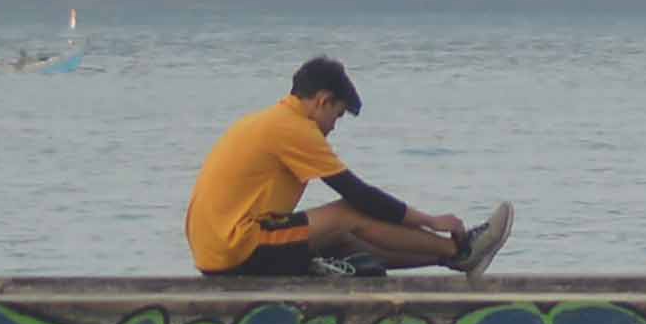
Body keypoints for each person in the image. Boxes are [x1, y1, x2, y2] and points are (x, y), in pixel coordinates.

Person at [183, 52, 513, 280]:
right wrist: (431, 220)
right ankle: (460, 250)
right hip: (236, 248)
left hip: (216, 250)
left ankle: (454, 257)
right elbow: (358, 196)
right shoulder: (294, 128)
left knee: (351, 247)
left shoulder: (269, 121)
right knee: (347, 216)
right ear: (323, 101)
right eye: (337, 115)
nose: (333, 127)